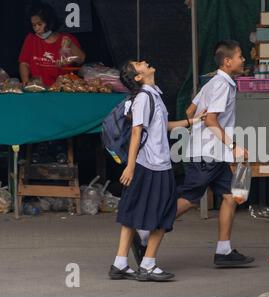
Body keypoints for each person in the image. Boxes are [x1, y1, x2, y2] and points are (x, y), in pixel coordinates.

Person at [131, 41, 255, 267]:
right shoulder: (222, 85)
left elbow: (191, 111)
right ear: (228, 62)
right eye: (240, 56)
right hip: (208, 153)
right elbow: (210, 119)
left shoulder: (212, 82)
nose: (243, 60)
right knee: (189, 198)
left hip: (213, 152)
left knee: (230, 196)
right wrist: (233, 145)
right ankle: (144, 232)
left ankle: (223, 251)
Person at [109, 61, 205, 282]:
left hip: (153, 164)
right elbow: (136, 132)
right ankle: (148, 265)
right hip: (151, 165)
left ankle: (120, 264)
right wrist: (130, 166)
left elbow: (163, 125)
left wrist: (192, 121)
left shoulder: (153, 94)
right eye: (138, 64)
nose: (144, 62)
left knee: (132, 211)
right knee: (165, 213)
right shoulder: (144, 97)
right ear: (138, 78)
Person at [19, 3, 86, 87]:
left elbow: (81, 59)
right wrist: (26, 82)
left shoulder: (67, 38)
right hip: (37, 89)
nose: (37, 29)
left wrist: (71, 45)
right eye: (34, 25)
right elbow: (24, 63)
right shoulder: (31, 38)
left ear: (50, 22)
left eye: (40, 24)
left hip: (63, 89)